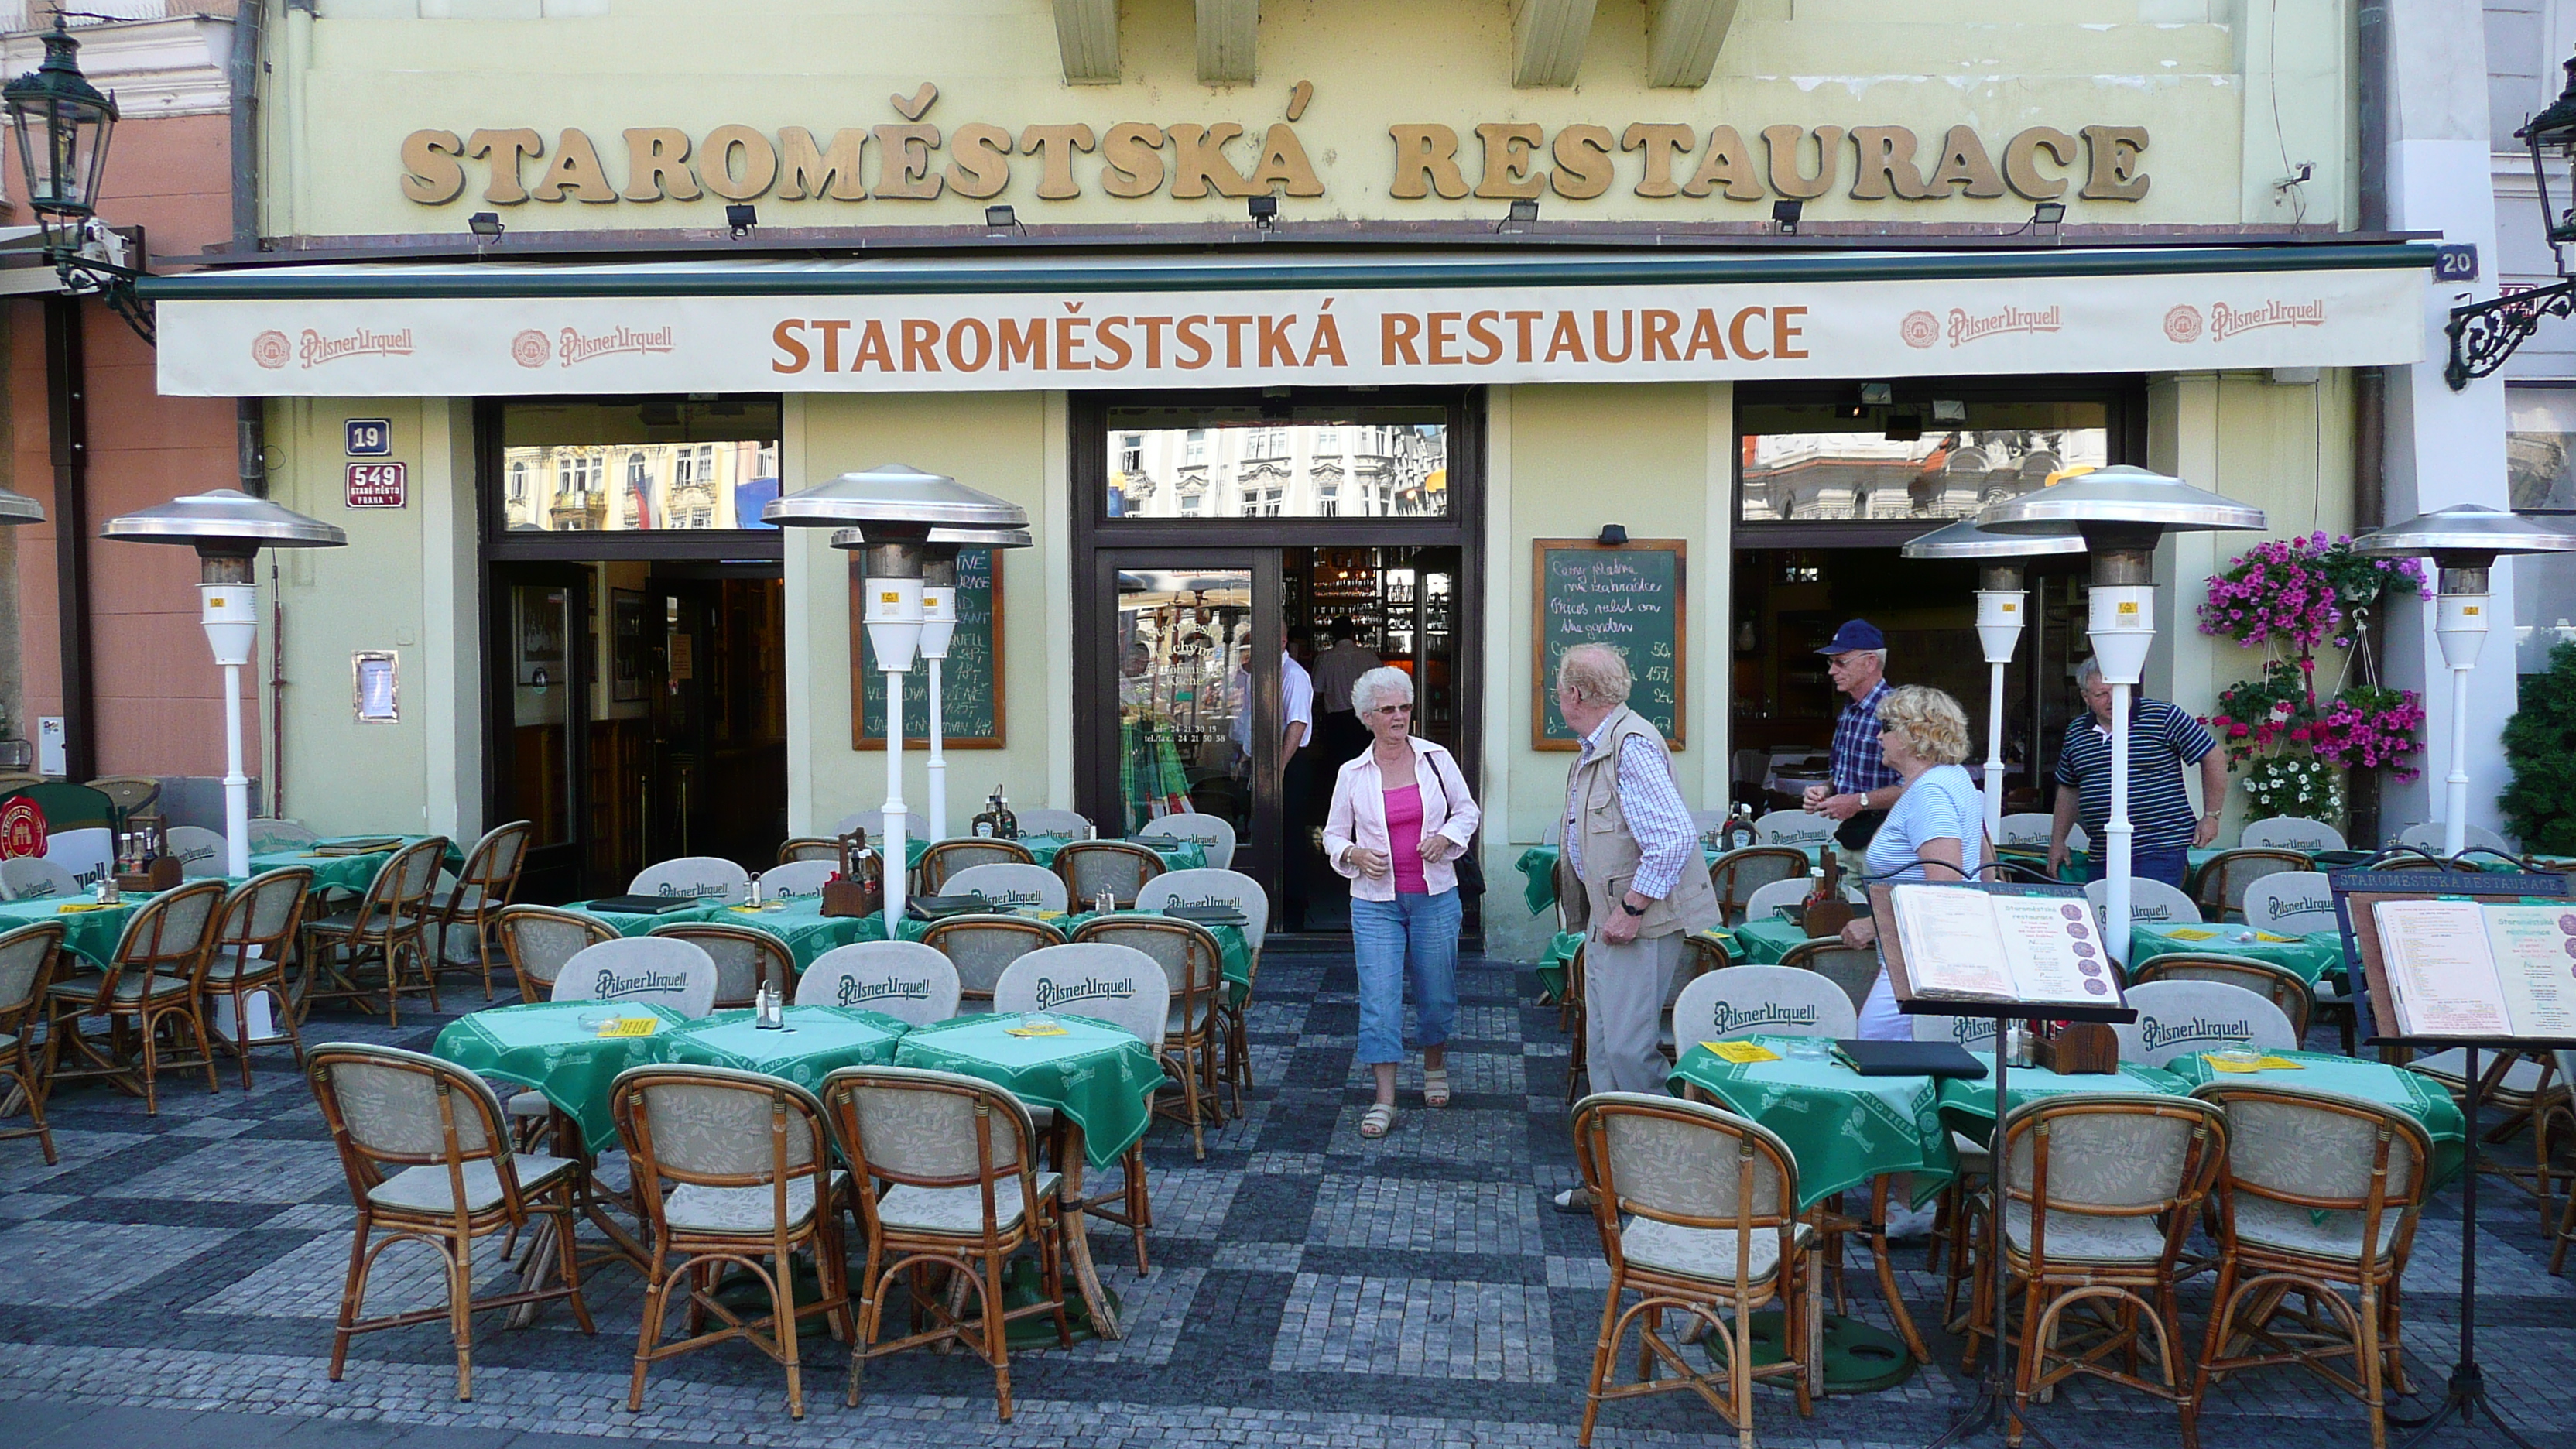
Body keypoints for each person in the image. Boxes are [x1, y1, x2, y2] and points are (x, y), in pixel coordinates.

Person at [1550, 642, 1721, 1213]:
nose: (1556, 694)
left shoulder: (1630, 746)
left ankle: (1665, 1186)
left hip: (1636, 926)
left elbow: (1673, 838)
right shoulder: (1605, 743)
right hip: (1614, 923)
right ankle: (1615, 1185)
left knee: (1628, 1054)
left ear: (1576, 694)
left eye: (1559, 685)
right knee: (1605, 1052)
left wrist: (1631, 908)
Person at [1323, 666, 1481, 1139]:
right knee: (1378, 1000)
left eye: (1405, 707)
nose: (1399, 717)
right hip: (1374, 902)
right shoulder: (1352, 772)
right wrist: (1352, 853)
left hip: (1434, 896)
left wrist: (1447, 837)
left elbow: (1467, 810)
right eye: (1388, 710)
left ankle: (1434, 1066)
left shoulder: (1436, 758)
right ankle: (1384, 1098)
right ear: (1367, 716)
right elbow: (1332, 834)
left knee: (1436, 994)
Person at [1837, 686, 1986, 1040]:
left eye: (1887, 727)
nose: (1879, 736)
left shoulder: (1930, 794)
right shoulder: (1954, 779)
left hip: (1921, 956)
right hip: (1939, 951)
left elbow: (1945, 884)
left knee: (1874, 1045)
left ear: (1912, 734)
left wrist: (1873, 927)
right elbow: (1985, 862)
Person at [2046, 656, 2225, 887]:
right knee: (2103, 916)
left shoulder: (2163, 716)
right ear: (2086, 697)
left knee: (2147, 912)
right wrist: (2058, 841)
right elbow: (2069, 789)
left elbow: (2213, 757)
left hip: (2159, 847)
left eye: (2117, 690)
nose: (2112, 700)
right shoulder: (2077, 731)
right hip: (2103, 850)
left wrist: (2211, 816)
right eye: (2101, 694)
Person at [1804, 620, 1904, 865]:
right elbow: (1847, 776)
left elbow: (1916, 785)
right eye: (1831, 663)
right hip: (1851, 836)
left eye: (1841, 662)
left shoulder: (1899, 711)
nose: (1832, 671)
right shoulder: (1851, 710)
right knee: (1839, 901)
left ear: (1870, 662)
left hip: (1890, 840)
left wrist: (1857, 802)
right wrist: (1827, 789)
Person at [1310, 618, 1383, 768]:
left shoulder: (1324, 658)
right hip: (1365, 720)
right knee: (1366, 765)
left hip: (1336, 721)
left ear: (1332, 635)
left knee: (1338, 767)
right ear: (1352, 633)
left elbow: (1316, 691)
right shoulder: (1369, 656)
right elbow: (1382, 687)